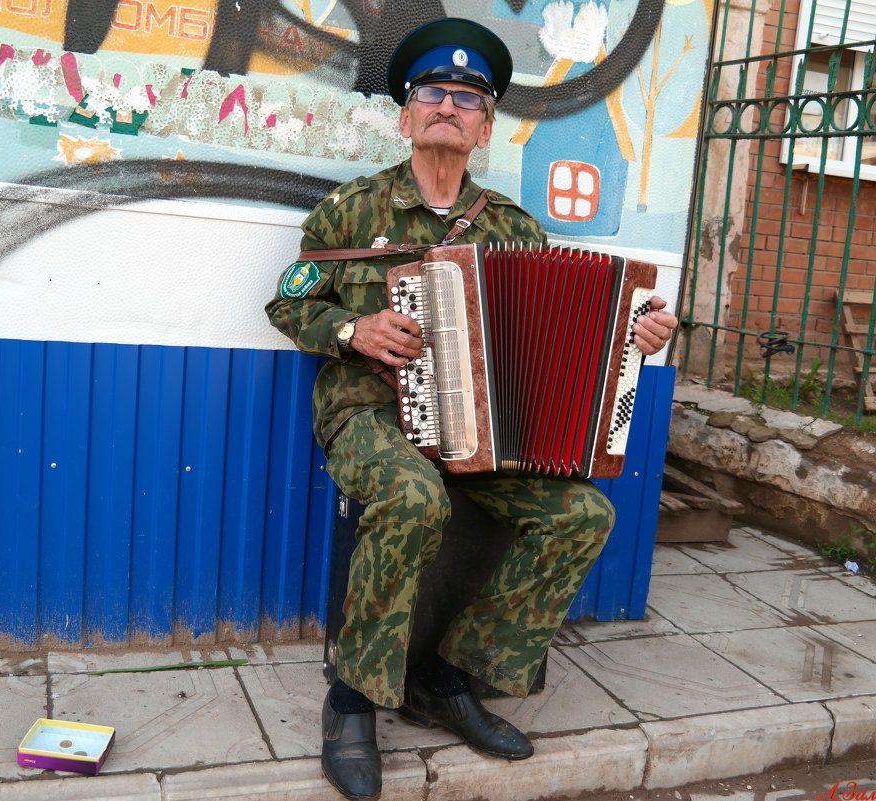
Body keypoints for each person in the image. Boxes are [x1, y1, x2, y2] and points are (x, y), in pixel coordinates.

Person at [265, 17, 678, 801]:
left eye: (466, 98)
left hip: (481, 436)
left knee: (583, 515)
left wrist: (643, 332)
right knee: (413, 495)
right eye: (432, 93)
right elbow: (287, 305)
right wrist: (354, 327)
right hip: (370, 416)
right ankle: (352, 698)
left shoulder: (516, 231)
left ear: (485, 126)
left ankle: (449, 675)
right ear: (405, 115)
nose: (447, 106)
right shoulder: (351, 211)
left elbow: (576, 331)